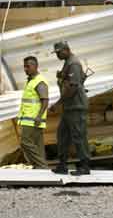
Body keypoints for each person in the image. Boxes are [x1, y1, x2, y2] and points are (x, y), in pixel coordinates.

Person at [49, 41, 90, 176]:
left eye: (59, 52)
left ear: (66, 50)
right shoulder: (68, 63)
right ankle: (62, 165)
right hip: (69, 108)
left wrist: (58, 103)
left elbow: (73, 88)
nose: (58, 55)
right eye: (56, 53)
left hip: (76, 106)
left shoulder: (73, 64)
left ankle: (84, 166)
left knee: (79, 136)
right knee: (62, 135)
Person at [17, 56, 49, 169]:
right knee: (37, 145)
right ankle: (40, 169)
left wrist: (39, 117)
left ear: (35, 66)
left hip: (33, 119)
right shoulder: (31, 80)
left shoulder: (39, 81)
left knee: (25, 142)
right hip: (29, 119)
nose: (25, 69)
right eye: (24, 66)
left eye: (28, 66)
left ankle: (41, 165)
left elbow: (45, 100)